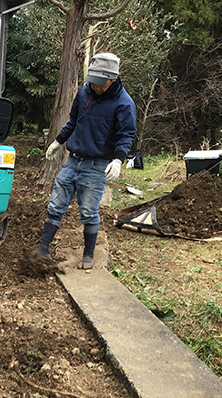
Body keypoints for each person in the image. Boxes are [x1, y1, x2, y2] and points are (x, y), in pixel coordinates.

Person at [35, 53, 137, 269]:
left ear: (112, 79)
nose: (95, 87)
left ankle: (88, 254)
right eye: (93, 81)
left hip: (96, 165)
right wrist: (58, 141)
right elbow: (73, 121)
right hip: (73, 161)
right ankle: (42, 249)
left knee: (89, 211)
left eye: (100, 83)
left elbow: (126, 135)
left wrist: (118, 160)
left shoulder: (124, 104)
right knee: (56, 204)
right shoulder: (84, 93)